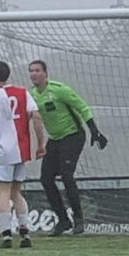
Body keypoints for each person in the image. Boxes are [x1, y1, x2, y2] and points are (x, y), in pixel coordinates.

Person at [26, 59, 108, 236]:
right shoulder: (31, 95)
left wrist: (95, 131)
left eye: (37, 70)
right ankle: (63, 220)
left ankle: (79, 220)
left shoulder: (59, 89)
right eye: (31, 71)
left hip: (73, 136)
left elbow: (82, 107)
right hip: (55, 140)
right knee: (46, 179)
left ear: (45, 73)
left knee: (66, 174)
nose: (33, 74)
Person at [0, 59, 43, 248]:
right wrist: (41, 144)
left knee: (4, 191)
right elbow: (36, 116)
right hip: (22, 150)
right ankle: (25, 232)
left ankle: (6, 234)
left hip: (4, 150)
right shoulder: (23, 92)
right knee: (16, 192)